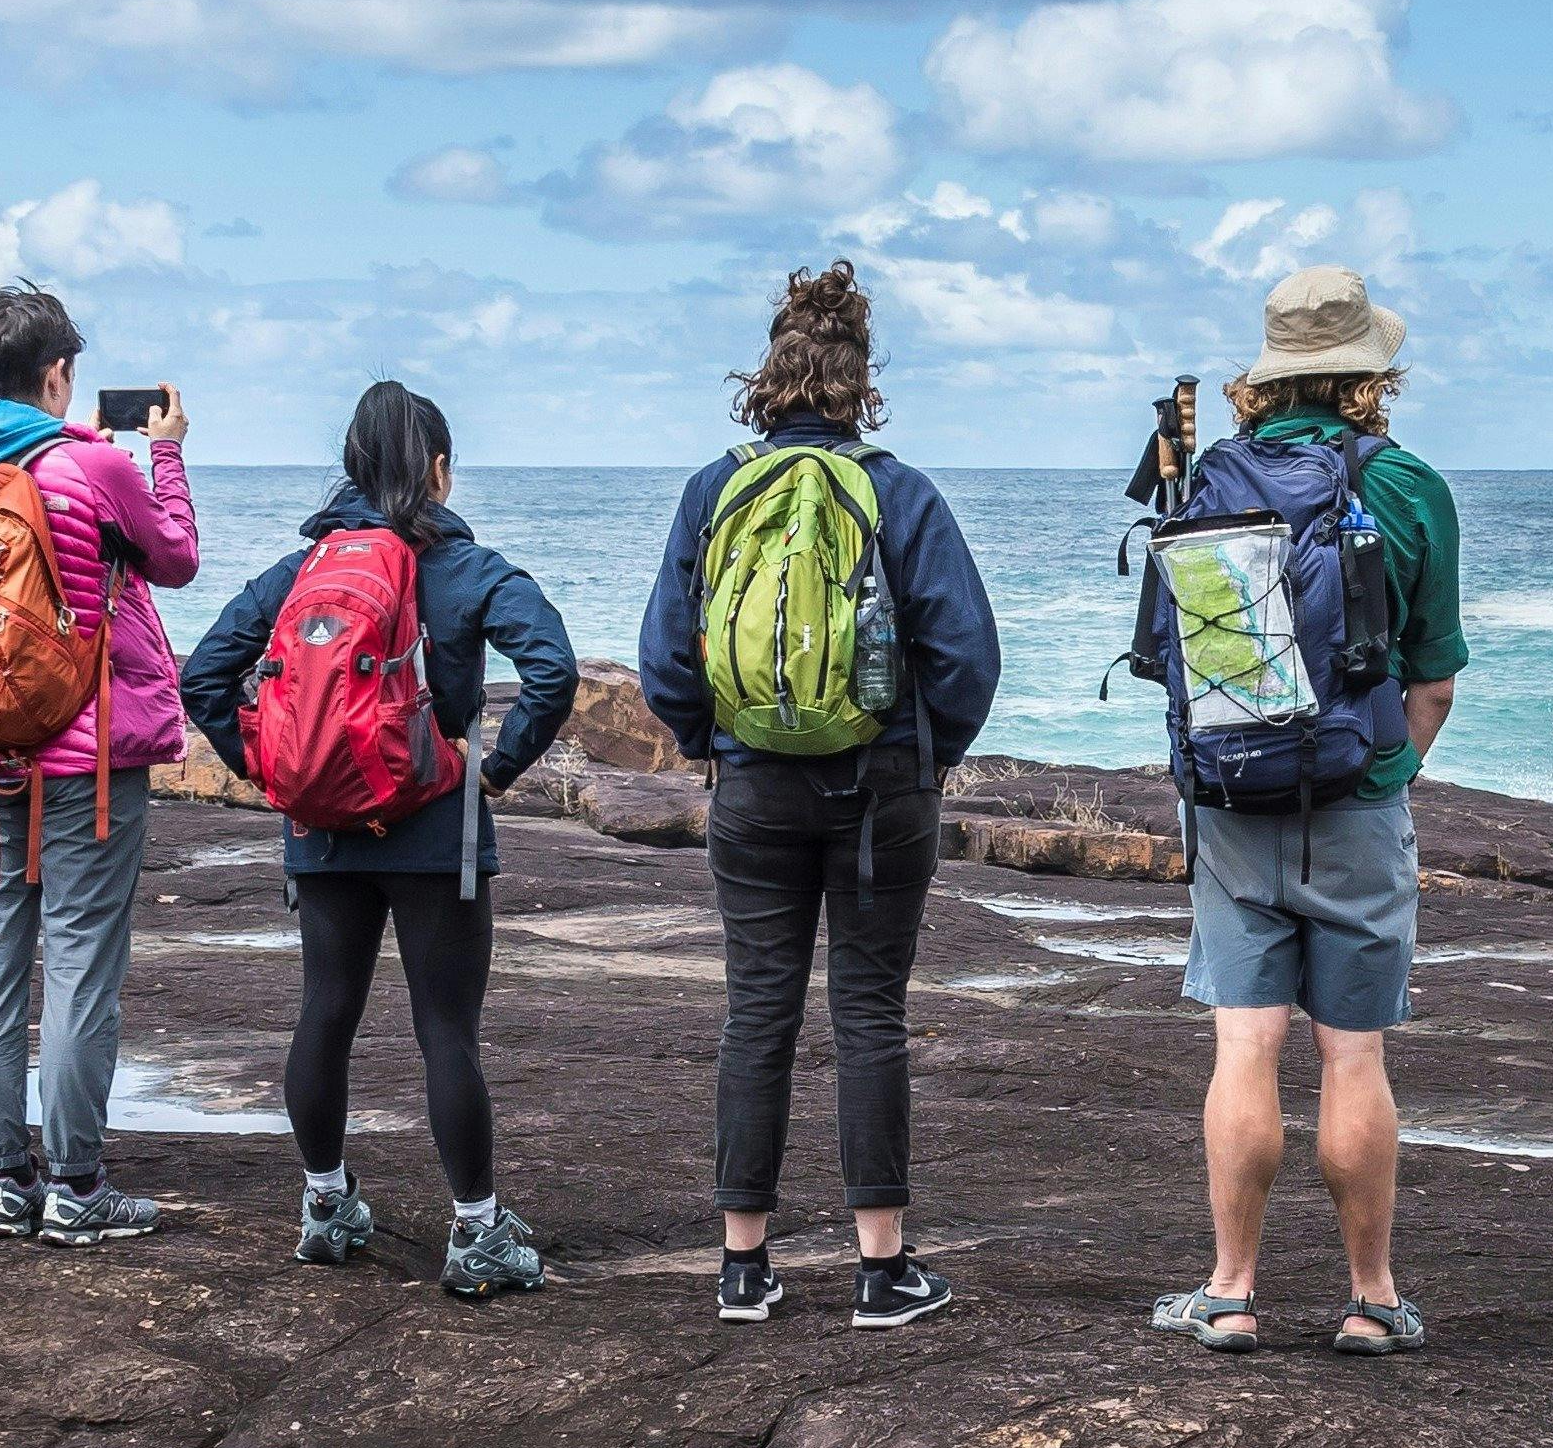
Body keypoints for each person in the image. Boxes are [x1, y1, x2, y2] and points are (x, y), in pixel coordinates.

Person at [636, 261, 1002, 1331]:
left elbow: (666, 657)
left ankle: (742, 1264)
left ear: (769, 375)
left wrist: (718, 744)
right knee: (869, 1015)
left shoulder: (714, 488)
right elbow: (966, 655)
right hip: (881, 791)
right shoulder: (900, 489)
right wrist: (927, 758)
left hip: (752, 789)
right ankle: (880, 1269)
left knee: (757, 1011)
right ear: (860, 381)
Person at [172, 380, 573, 1296]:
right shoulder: (469, 571)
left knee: (325, 1013)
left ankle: (324, 1206)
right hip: (436, 834)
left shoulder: (299, 574)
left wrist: (271, 769)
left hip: (321, 832)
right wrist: (493, 770)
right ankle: (474, 1233)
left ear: (351, 467)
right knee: (445, 1034)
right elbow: (550, 668)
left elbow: (205, 677)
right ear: (437, 469)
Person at [1149, 265, 1469, 1358]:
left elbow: (1171, 660)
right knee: (1352, 1054)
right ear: (1368, 376)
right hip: (1357, 801)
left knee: (1244, 1044)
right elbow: (1432, 680)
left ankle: (1230, 1292)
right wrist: (1385, 779)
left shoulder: (1205, 480)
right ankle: (1371, 1297)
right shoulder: (1411, 485)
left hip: (1232, 802)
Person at [0, 285, 198, 1247]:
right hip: (84, 762)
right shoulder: (93, 466)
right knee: (82, 964)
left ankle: (6, 1179)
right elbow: (175, 558)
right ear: (56, 374)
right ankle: (77, 1189)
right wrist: (161, 452)